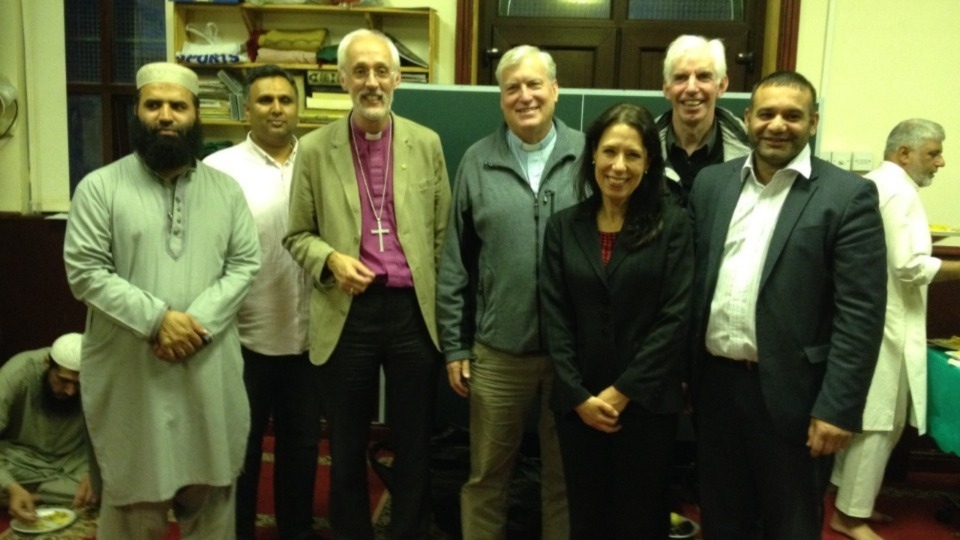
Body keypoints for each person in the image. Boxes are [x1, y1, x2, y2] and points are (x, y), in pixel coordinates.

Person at [63, 61, 260, 539]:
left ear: (197, 115)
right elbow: (86, 272)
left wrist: (192, 325)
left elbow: (245, 265)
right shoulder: (99, 188)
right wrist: (156, 320)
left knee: (210, 498)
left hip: (206, 369)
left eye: (178, 105)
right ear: (138, 112)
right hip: (133, 375)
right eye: (154, 105)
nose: (166, 115)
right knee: (134, 503)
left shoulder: (227, 192)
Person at [687, 71, 887, 540]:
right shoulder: (712, 186)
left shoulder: (846, 196)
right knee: (722, 516)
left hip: (797, 397)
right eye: (767, 113)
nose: (778, 124)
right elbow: (694, 287)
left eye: (792, 115)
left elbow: (860, 313)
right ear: (746, 119)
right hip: (716, 388)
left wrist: (838, 407)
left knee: (791, 522)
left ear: (812, 122)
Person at [283, 28, 450, 540]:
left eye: (382, 71)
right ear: (342, 79)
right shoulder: (312, 149)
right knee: (348, 442)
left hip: (410, 314)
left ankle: (408, 532)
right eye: (360, 71)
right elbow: (296, 235)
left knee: (415, 439)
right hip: (345, 311)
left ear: (398, 78)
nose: (372, 82)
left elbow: (442, 234)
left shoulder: (427, 143)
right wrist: (331, 258)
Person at [437, 44, 584, 540]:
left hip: (572, 356)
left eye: (534, 84)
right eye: (512, 88)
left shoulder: (590, 155)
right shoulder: (477, 161)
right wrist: (455, 344)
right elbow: (455, 261)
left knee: (566, 478)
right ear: (501, 98)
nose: (525, 96)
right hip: (498, 353)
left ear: (555, 90)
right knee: (486, 476)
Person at [539, 103, 693, 539]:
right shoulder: (564, 227)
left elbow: (674, 317)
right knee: (586, 521)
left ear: (649, 164)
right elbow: (555, 315)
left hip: (646, 406)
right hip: (578, 405)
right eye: (609, 152)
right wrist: (579, 396)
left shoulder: (673, 226)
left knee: (639, 521)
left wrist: (622, 392)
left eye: (633, 155)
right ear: (592, 155)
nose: (619, 166)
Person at [203, 65, 320, 540]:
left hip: (311, 339)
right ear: (246, 108)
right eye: (265, 100)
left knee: (302, 451)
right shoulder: (218, 170)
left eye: (285, 100)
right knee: (240, 453)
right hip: (242, 340)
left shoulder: (320, 161)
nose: (276, 108)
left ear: (299, 107)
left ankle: (295, 532)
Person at [830, 119, 959, 540]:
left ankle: (847, 502)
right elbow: (909, 267)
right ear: (904, 153)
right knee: (881, 422)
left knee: (872, 419)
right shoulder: (899, 192)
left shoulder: (877, 184)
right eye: (933, 153)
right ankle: (849, 517)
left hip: (870, 320)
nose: (940, 162)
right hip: (886, 325)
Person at [0, 333, 95, 523]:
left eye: (78, 384)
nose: (70, 391)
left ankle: (35, 498)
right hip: (18, 461)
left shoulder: (98, 379)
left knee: (116, 484)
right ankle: (24, 494)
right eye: (63, 380)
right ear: (46, 363)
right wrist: (10, 486)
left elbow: (114, 435)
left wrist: (95, 472)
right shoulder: (17, 373)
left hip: (70, 464)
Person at [658, 35, 750, 204]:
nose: (692, 88)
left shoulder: (752, 150)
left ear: (721, 86)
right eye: (680, 77)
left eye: (703, 76)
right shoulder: (641, 147)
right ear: (666, 88)